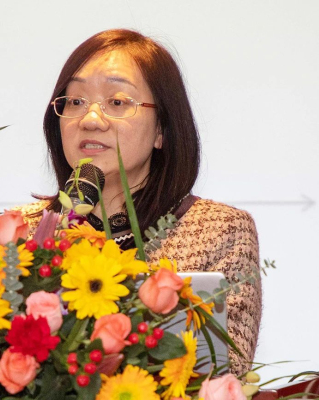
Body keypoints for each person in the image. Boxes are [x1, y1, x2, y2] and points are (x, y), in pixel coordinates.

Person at [17, 29, 261, 375]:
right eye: (75, 101)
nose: (90, 119)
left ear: (162, 129)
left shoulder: (220, 231)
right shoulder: (21, 232)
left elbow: (226, 375)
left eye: (117, 102)